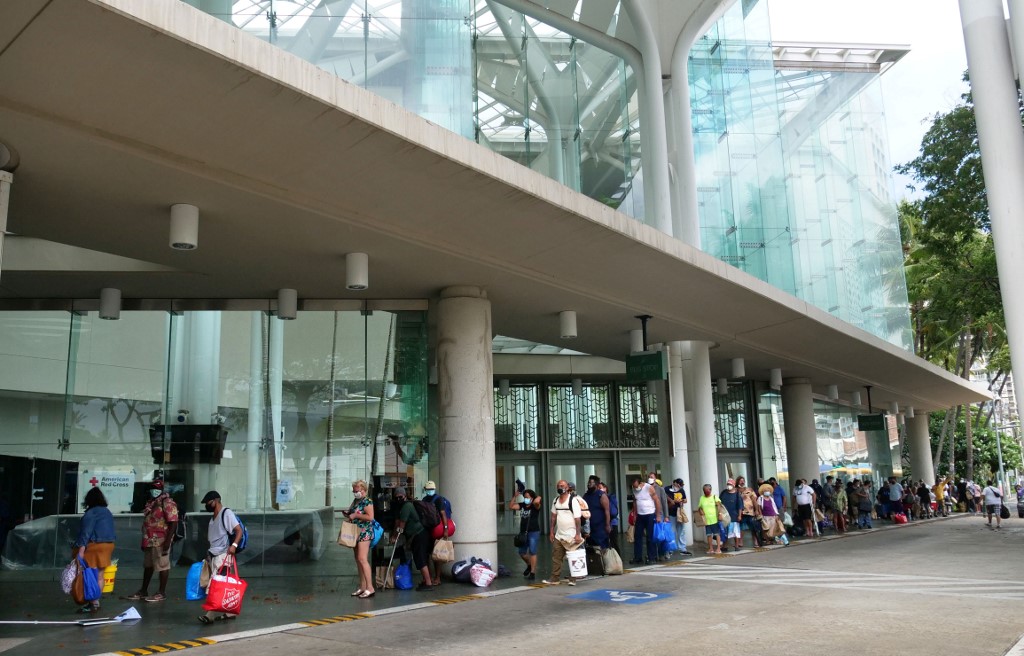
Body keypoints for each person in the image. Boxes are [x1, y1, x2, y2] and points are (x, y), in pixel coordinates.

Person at [126, 478, 178, 603]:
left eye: (157, 488)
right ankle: (143, 590)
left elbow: (173, 523)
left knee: (162, 565)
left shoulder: (167, 502)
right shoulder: (152, 503)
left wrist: (167, 541)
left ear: (161, 489)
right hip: (149, 539)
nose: (155, 491)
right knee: (148, 565)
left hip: (161, 540)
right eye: (153, 488)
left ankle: (161, 592)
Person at [197, 490, 244, 624]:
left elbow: (238, 530)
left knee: (216, 585)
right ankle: (229, 613)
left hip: (224, 555)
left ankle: (209, 615)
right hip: (214, 555)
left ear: (216, 501)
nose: (207, 505)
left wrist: (234, 545)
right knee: (221, 585)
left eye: (208, 502)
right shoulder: (213, 518)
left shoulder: (226, 513)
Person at [73, 487, 116, 613]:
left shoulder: (91, 513)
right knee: (100, 575)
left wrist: (81, 549)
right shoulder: (107, 512)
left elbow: (86, 532)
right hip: (108, 545)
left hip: (95, 546)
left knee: (89, 575)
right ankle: (96, 602)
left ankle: (92, 603)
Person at [392, 486, 434, 591]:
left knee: (420, 559)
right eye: (396, 497)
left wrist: (395, 536)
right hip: (417, 536)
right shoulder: (402, 506)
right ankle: (425, 581)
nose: (398, 499)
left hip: (419, 535)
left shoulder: (407, 506)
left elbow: (402, 525)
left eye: (400, 496)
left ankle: (428, 583)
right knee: (419, 558)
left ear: (405, 496)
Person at [543, 479, 582, 586]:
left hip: (571, 534)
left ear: (567, 487)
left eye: (563, 485)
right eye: (559, 485)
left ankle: (573, 578)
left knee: (572, 557)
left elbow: (577, 519)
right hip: (559, 535)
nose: (560, 487)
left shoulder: (572, 500)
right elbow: (553, 517)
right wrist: (551, 532)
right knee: (556, 557)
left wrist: (577, 534)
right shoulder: (555, 500)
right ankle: (555, 578)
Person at [344, 480, 375, 598]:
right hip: (356, 532)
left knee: (362, 559)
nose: (355, 492)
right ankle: (362, 586)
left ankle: (370, 587)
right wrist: (349, 514)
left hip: (364, 532)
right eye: (354, 490)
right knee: (358, 560)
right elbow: (353, 512)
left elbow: (370, 517)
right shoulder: (356, 501)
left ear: (363, 490)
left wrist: (356, 515)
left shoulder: (368, 501)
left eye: (357, 490)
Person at [509, 487, 541, 581]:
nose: (526, 499)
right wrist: (515, 496)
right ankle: (529, 565)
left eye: (527, 497)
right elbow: (511, 507)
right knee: (522, 552)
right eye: (525, 497)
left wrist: (538, 497)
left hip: (534, 531)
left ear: (532, 497)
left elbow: (537, 502)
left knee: (532, 551)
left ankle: (533, 572)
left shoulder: (535, 506)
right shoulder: (522, 505)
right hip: (523, 532)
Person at [629, 474, 662, 565]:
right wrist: (634, 514)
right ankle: (638, 557)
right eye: (634, 486)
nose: (636, 488)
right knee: (637, 536)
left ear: (641, 483)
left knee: (650, 537)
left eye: (636, 486)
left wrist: (658, 515)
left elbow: (657, 501)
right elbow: (635, 501)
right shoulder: (634, 489)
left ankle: (652, 557)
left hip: (650, 514)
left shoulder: (648, 488)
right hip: (640, 515)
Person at [422, 481, 450, 587]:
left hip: (437, 530)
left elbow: (443, 514)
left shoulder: (439, 499)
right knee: (428, 554)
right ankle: (429, 577)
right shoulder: (424, 499)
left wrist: (445, 529)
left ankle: (438, 578)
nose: (429, 491)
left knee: (437, 555)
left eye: (430, 489)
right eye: (428, 489)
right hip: (428, 530)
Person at [582, 476, 611, 551]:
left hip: (600, 529)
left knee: (602, 549)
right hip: (589, 528)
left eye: (591, 483)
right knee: (590, 549)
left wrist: (607, 525)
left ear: (596, 485)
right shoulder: (585, 496)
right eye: (588, 483)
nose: (588, 484)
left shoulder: (601, 495)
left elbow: (607, 511)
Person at [666, 478, 692, 554]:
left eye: (680, 485)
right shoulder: (667, 489)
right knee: (671, 531)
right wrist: (673, 501)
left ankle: (682, 548)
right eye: (678, 485)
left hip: (679, 512)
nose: (679, 486)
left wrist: (682, 500)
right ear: (674, 483)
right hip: (671, 512)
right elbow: (665, 499)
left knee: (681, 530)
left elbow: (685, 499)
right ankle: (670, 548)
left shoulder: (681, 490)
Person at [696, 484, 722, 554]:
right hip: (706, 520)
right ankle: (711, 548)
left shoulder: (714, 497)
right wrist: (700, 511)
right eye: (704, 490)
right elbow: (699, 507)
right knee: (708, 534)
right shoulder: (702, 498)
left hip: (714, 519)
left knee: (717, 534)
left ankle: (719, 548)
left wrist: (719, 514)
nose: (705, 492)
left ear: (710, 490)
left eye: (706, 490)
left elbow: (719, 506)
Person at [736, 476, 761, 548]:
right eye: (740, 481)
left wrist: (756, 510)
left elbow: (754, 500)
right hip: (741, 512)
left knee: (753, 527)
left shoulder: (749, 489)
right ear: (738, 482)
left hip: (750, 512)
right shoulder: (735, 490)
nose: (742, 482)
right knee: (741, 528)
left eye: (743, 480)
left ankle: (755, 542)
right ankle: (740, 541)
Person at [719, 479, 742, 552]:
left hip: (734, 515)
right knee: (725, 531)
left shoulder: (737, 494)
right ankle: (724, 545)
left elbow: (740, 506)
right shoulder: (723, 493)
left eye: (730, 484)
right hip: (724, 515)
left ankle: (736, 545)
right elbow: (719, 503)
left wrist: (739, 515)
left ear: (734, 485)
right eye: (728, 484)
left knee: (735, 531)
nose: (729, 486)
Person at [652, 477, 672, 560]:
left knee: (663, 535)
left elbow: (664, 503)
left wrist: (666, 516)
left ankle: (665, 552)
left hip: (661, 515)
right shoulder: (647, 489)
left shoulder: (660, 489)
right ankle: (656, 554)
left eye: (652, 478)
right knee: (654, 536)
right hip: (651, 515)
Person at [597, 481, 620, 552]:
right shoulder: (597, 498)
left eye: (600, 488)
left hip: (612, 523)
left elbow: (613, 511)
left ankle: (617, 559)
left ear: (605, 488)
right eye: (598, 488)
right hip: (602, 523)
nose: (599, 489)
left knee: (613, 543)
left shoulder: (611, 497)